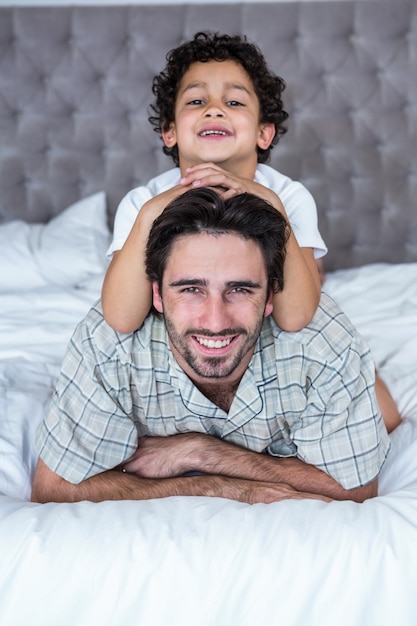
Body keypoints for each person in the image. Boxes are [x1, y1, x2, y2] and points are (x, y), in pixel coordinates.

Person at [101, 31, 400, 432]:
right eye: (196, 101)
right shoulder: (143, 203)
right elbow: (120, 318)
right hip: (191, 336)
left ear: (264, 133)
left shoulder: (288, 197)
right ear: (169, 131)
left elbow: (296, 317)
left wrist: (272, 207)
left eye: (234, 101)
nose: (214, 110)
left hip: (271, 329)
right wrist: (153, 212)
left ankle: (343, 328)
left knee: (385, 417)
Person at [31, 189, 390, 505]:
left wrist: (202, 453)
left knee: (388, 414)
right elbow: (54, 486)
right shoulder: (107, 345)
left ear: (270, 296)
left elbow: (355, 488)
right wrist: (216, 488)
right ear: (156, 293)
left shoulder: (323, 343)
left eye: (240, 289)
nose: (215, 321)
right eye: (191, 289)